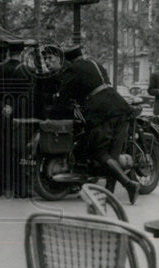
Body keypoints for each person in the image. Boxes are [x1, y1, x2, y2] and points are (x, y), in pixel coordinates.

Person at [51, 50, 140, 204]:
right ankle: (109, 194)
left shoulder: (74, 69)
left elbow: (65, 92)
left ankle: (129, 184)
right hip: (119, 105)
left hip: (102, 110)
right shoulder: (95, 64)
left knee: (98, 152)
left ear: (69, 60)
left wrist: (56, 109)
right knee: (113, 154)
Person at [0, 40, 33, 198]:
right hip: (18, 118)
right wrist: (13, 108)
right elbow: (27, 97)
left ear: (8, 52)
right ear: (22, 53)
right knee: (19, 152)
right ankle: (19, 190)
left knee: (0, 152)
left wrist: (2, 107)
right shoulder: (25, 70)